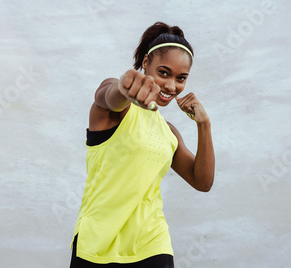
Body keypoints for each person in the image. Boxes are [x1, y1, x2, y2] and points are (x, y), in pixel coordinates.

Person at [70, 22, 215, 268]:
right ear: (146, 63)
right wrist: (124, 87)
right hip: (96, 244)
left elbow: (202, 181)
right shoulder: (116, 109)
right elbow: (106, 97)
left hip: (152, 244)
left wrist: (204, 125)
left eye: (181, 78)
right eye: (164, 73)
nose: (171, 86)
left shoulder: (169, 132)